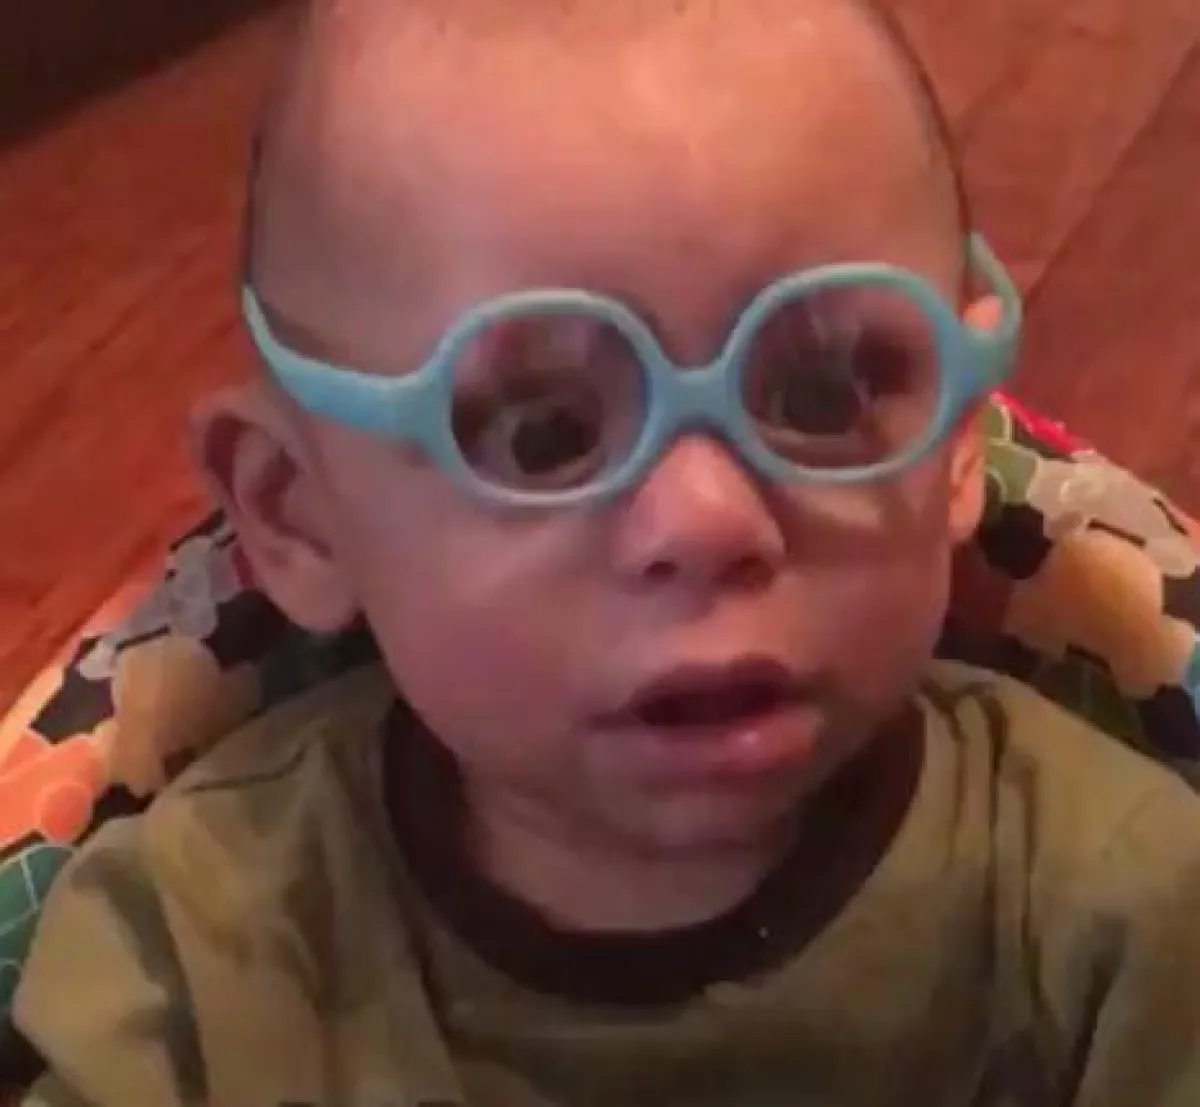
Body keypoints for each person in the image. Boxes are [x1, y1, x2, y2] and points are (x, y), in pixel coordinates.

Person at [13, 0, 1200, 1103]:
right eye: (544, 436)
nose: (709, 522)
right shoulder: (185, 974)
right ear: (299, 514)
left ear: (957, 437)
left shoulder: (1126, 925)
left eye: (821, 392)